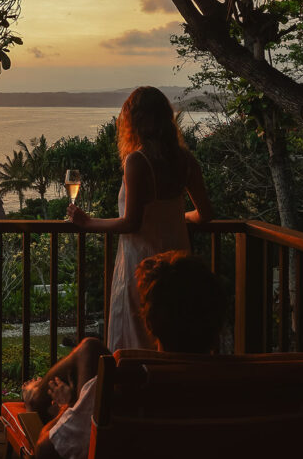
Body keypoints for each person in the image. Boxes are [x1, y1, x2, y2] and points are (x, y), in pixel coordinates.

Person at [26, 251, 226, 459]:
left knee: (88, 356)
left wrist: (68, 407)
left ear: (149, 323)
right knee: (91, 348)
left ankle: (37, 395)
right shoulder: (238, 387)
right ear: (217, 323)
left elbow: (45, 454)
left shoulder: (119, 387)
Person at [67, 86, 213, 350]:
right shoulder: (186, 160)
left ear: (136, 120)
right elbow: (205, 214)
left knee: (137, 338)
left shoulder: (138, 161)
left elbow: (131, 222)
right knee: (173, 338)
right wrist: (177, 219)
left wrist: (88, 223)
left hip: (143, 264)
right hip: (178, 264)